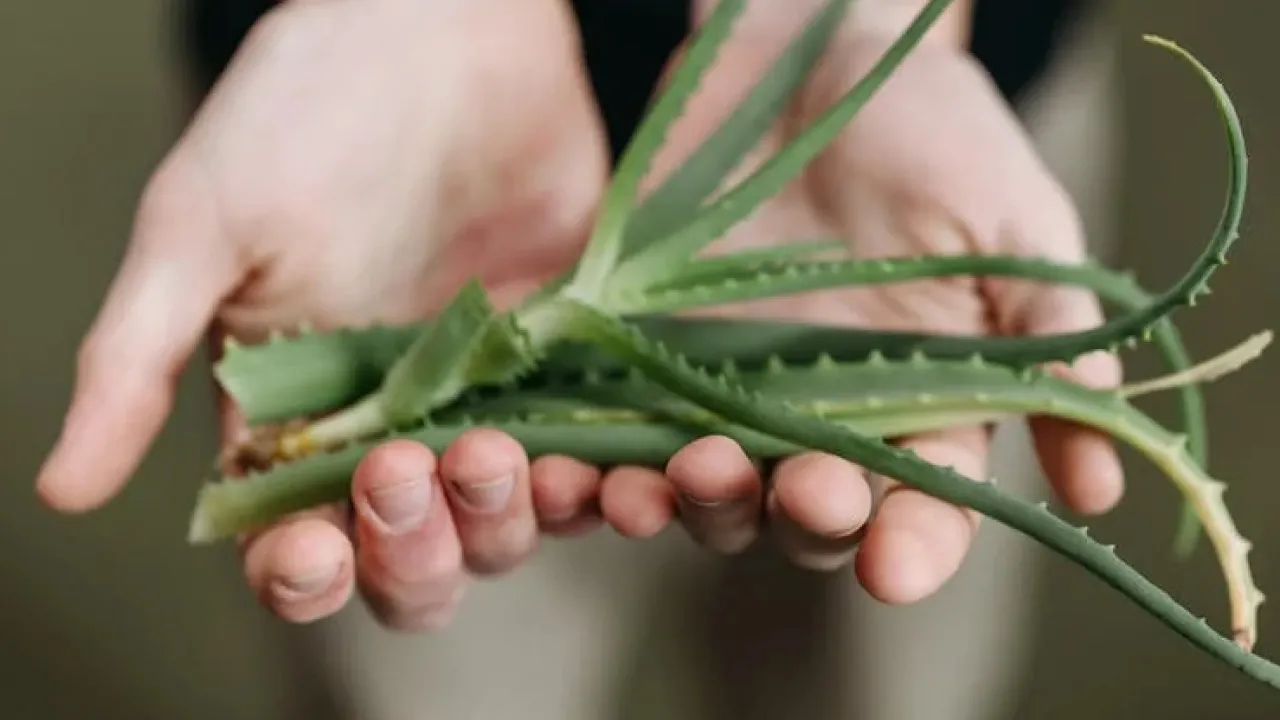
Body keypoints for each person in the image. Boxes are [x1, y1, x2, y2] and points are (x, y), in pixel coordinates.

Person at [36, 0, 1121, 717]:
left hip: (890, 169)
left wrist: (845, 21)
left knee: (863, 654)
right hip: (393, 175)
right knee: (417, 649)